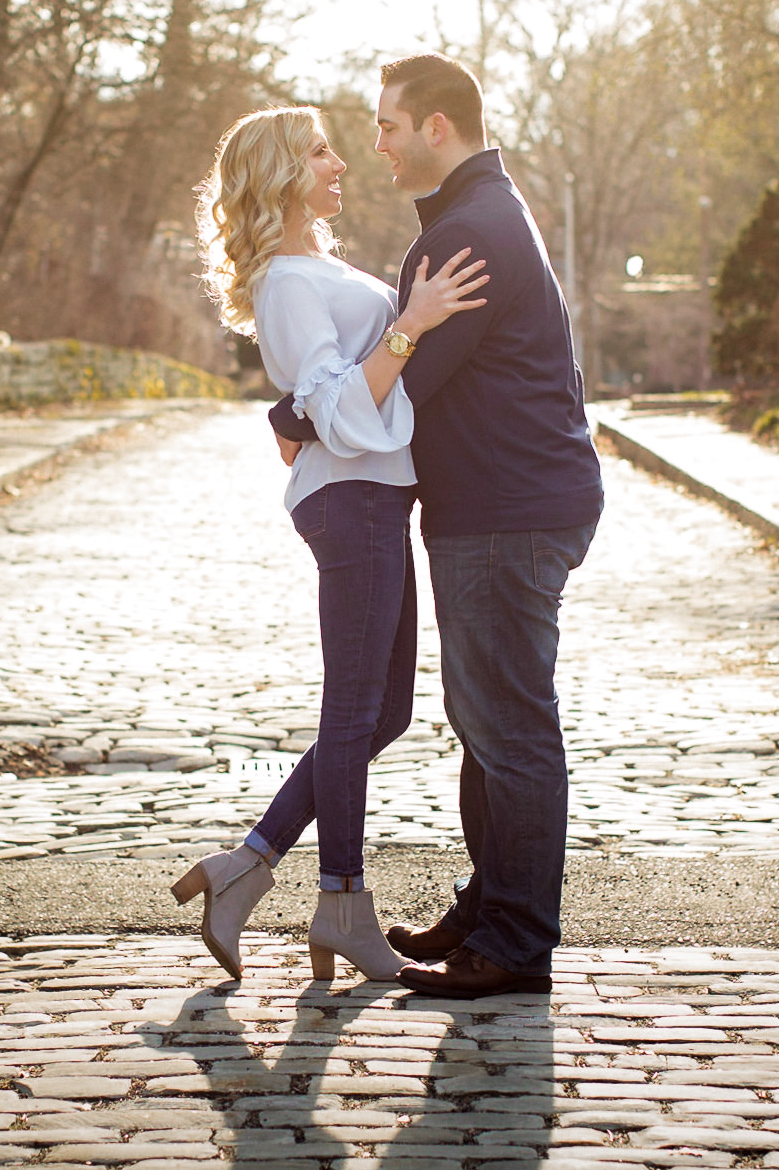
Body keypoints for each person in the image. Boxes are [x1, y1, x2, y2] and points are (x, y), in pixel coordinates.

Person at [268, 53, 604, 1000]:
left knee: (512, 728)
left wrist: (292, 416)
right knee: (486, 720)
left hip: (506, 508)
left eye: (385, 124)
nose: (374, 143)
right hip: (507, 502)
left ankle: (517, 941)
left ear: (436, 129)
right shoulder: (480, 217)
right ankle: (487, 904)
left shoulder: (463, 238)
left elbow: (395, 388)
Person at [171, 105, 489, 985]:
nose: (339, 161)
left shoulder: (315, 266)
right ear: (279, 173)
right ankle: (342, 901)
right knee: (354, 708)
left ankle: (247, 863)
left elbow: (319, 406)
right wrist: (411, 321)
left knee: (382, 712)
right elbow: (338, 406)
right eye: (317, 152)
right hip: (348, 501)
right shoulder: (284, 280)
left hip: (375, 497)